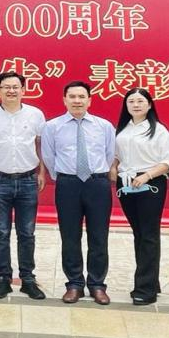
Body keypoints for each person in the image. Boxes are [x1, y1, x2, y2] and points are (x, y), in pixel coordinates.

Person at [41, 80, 116, 305]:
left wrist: (97, 175)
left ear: (89, 100)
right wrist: (64, 177)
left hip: (97, 184)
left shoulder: (104, 126)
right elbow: (49, 156)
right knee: (70, 236)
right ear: (64, 100)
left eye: (81, 97)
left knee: (99, 236)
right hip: (68, 184)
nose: (77, 101)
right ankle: (74, 284)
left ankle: (97, 284)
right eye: (72, 96)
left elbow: (110, 154)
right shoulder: (52, 126)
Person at [0, 72, 46, 300]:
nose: (11, 91)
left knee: (27, 233)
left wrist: (41, 172)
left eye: (16, 87)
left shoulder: (35, 114)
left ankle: (28, 279)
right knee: (1, 232)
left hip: (28, 179)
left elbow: (40, 145)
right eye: (6, 87)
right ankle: (3, 279)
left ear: (23, 90)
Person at [112, 87, 169, 305]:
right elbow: (118, 155)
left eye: (140, 101)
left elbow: (168, 161)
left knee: (149, 234)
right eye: (131, 101)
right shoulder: (123, 129)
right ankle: (151, 281)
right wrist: (114, 167)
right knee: (139, 233)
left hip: (150, 183)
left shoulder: (158, 130)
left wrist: (147, 176)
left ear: (149, 105)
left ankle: (145, 289)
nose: (136, 105)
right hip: (126, 183)